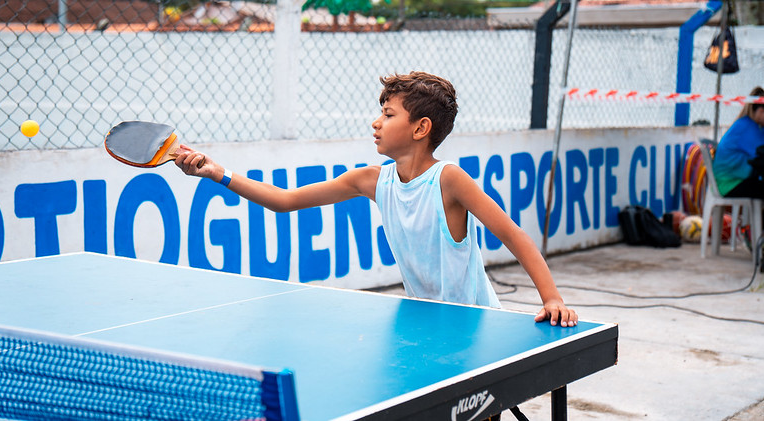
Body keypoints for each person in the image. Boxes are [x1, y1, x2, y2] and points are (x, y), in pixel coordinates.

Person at [175, 71, 577, 327]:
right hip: (421, 322)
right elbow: (284, 200)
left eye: (388, 114)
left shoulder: (450, 179)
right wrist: (217, 173)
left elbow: (514, 236)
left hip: (472, 323)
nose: (376, 122)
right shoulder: (371, 181)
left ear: (420, 128)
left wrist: (552, 299)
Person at [713, 86, 764, 200]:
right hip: (729, 184)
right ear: (761, 111)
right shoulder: (747, 128)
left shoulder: (749, 125)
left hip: (733, 180)